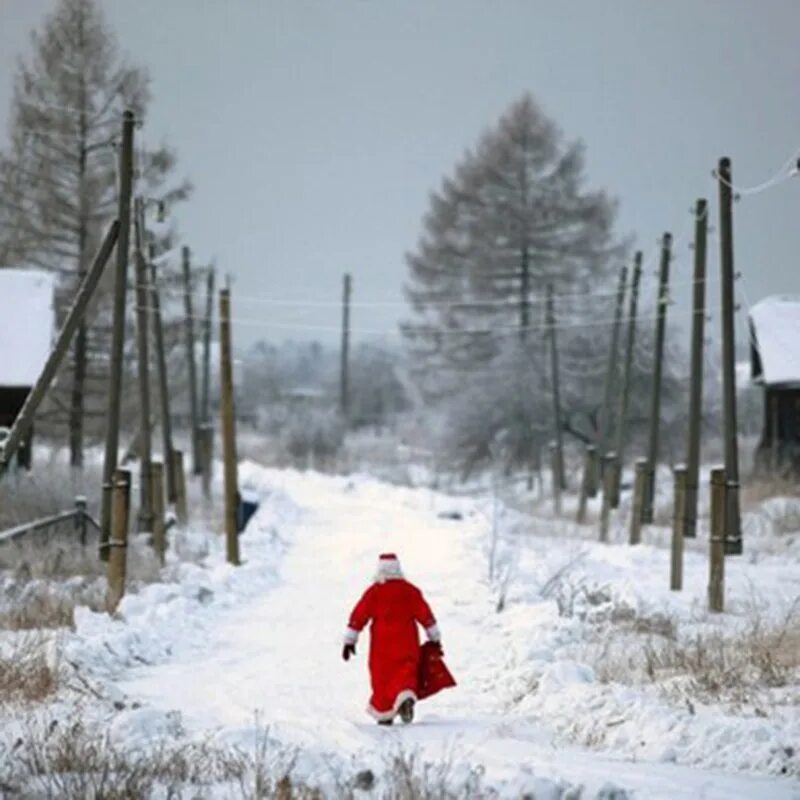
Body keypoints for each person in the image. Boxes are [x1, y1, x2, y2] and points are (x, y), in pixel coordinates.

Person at [342, 553, 443, 725]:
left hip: (381, 647)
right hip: (407, 643)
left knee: (382, 679)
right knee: (406, 671)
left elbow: (359, 615)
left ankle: (385, 714)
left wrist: (350, 640)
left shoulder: (374, 592)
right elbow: (425, 614)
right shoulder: (410, 591)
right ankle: (405, 698)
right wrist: (434, 637)